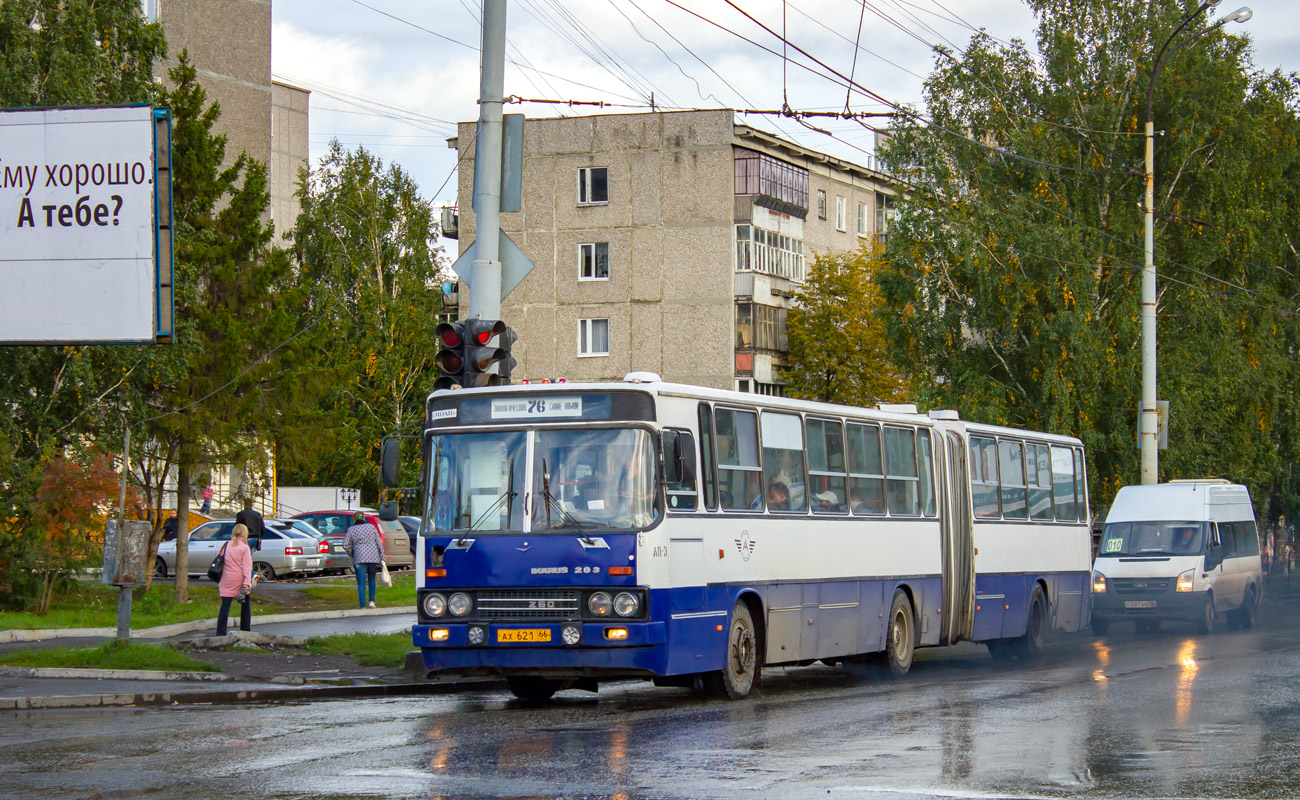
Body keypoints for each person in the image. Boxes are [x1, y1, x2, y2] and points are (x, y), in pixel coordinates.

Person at [216, 523, 254, 636]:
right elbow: (246, 567)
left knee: (225, 605)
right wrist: (247, 583)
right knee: (245, 604)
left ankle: (221, 631)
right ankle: (245, 629)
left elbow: (220, 559)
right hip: (239, 578)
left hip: (226, 578)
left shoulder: (226, 545)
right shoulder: (244, 548)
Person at [343, 510, 386, 608]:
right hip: (373, 557)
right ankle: (372, 601)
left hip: (359, 558)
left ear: (354, 519)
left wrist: (352, 552)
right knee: (372, 579)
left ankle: (362, 605)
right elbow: (379, 543)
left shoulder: (351, 529)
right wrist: (382, 556)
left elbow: (345, 544)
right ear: (363, 518)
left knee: (361, 582)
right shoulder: (372, 527)